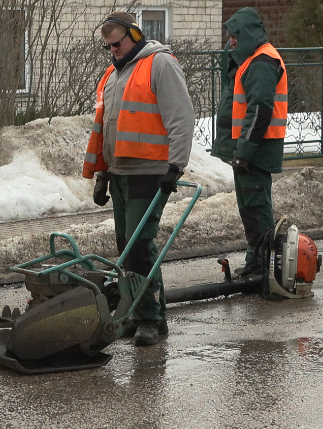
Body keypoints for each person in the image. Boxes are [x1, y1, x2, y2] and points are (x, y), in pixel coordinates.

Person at [84, 11, 194, 346]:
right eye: (109, 46)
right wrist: (102, 174)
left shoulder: (160, 65)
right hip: (119, 173)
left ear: (134, 34)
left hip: (150, 173)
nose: (113, 49)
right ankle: (136, 310)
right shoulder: (112, 76)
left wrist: (175, 167)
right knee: (125, 248)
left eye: (117, 43)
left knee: (140, 246)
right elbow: (106, 129)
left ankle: (151, 319)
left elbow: (181, 117)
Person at [210, 7, 287, 277]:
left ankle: (263, 266)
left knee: (256, 208)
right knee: (251, 208)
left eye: (235, 35)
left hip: (255, 149)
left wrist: (244, 151)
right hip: (251, 148)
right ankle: (258, 262)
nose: (231, 41)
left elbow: (260, 109)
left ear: (247, 34)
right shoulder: (254, 60)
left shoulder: (262, 61)